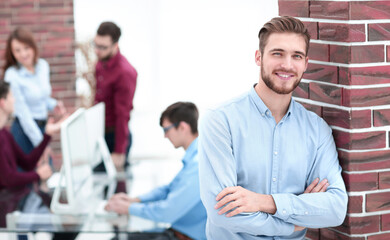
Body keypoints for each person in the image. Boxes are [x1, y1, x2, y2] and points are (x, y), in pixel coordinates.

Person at [198, 16, 348, 239]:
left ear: (305, 64)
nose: (287, 65)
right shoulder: (220, 121)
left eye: (296, 56)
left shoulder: (317, 130)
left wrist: (265, 202)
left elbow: (335, 209)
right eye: (277, 53)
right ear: (259, 57)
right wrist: (292, 222)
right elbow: (222, 212)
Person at [105, 102, 207, 240]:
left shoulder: (198, 164)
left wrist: (128, 208)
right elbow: (168, 189)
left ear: (183, 127)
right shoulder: (195, 156)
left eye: (167, 130)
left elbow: (168, 211)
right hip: (176, 232)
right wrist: (134, 200)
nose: (165, 136)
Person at [2, 27, 66, 156]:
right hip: (24, 130)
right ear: (12, 53)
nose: (23, 54)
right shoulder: (12, 75)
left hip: (42, 126)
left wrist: (53, 105)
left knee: (45, 172)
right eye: (17, 50)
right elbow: (23, 112)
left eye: (26, 48)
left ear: (33, 46)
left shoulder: (43, 66)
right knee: (28, 173)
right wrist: (41, 144)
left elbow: (42, 96)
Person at [0, 81, 66, 190]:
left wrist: (47, 134)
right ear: (2, 102)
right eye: (11, 96)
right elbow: (8, 179)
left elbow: (27, 163)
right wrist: (38, 175)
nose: (14, 100)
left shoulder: (5, 134)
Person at [93, 21, 137, 171]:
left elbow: (122, 115)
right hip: (101, 132)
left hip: (116, 136)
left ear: (115, 45)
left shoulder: (125, 73)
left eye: (102, 47)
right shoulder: (101, 62)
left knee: (117, 188)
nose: (97, 51)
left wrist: (119, 151)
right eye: (95, 45)